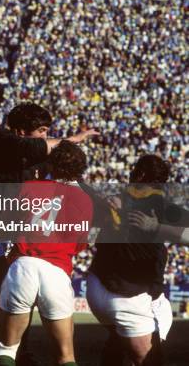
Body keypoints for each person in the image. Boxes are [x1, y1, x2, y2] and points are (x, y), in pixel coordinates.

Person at [0, 103, 98, 362]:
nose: (44, 136)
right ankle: (3, 353)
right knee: (7, 290)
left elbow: (65, 169)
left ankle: (10, 352)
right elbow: (36, 148)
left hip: (4, 230)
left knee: (12, 292)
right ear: (19, 130)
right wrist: (72, 140)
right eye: (41, 130)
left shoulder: (32, 156)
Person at [0, 141, 94, 366]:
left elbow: (6, 226)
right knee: (66, 355)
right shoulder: (84, 199)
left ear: (51, 164)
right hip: (56, 270)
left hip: (24, 264)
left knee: (6, 349)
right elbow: (79, 245)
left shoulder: (29, 186)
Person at [87, 155, 174, 366]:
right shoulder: (161, 207)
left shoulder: (115, 199)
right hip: (129, 294)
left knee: (117, 341)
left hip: (96, 284)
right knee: (151, 360)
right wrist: (158, 228)